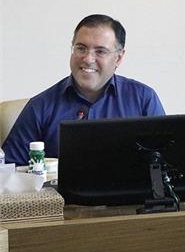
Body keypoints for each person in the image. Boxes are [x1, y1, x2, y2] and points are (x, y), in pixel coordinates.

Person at [2, 14, 165, 165]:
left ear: (119, 58)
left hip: (129, 188)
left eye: (100, 51)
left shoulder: (143, 99)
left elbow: (166, 164)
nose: (88, 59)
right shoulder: (40, 106)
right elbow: (10, 169)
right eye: (81, 48)